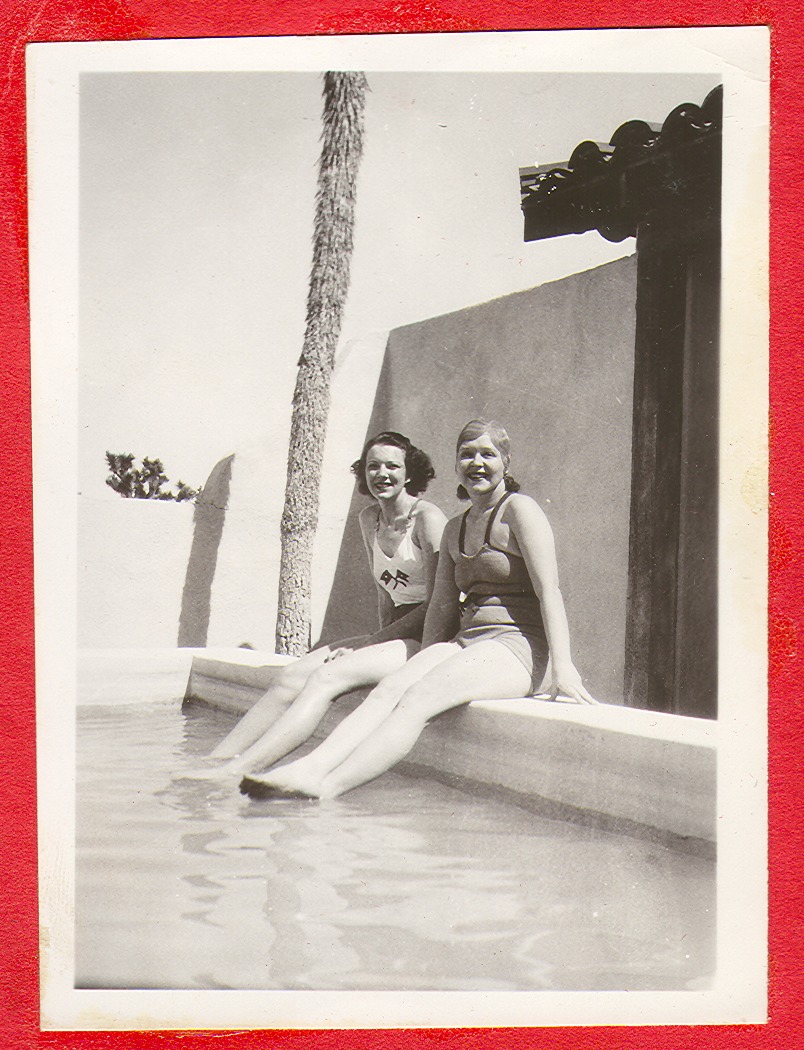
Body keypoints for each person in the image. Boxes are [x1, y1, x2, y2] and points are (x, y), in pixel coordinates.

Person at [241, 418, 596, 800]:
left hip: (519, 646)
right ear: (457, 464)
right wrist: (421, 663)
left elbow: (550, 592)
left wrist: (565, 668)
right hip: (469, 640)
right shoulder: (455, 526)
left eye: (487, 454)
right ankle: (309, 766)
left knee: (418, 698)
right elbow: (442, 606)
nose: (476, 462)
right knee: (393, 686)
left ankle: (325, 786)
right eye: (466, 455)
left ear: (506, 462)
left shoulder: (519, 511)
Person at [186, 431, 447, 779]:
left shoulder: (428, 518)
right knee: (292, 674)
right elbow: (384, 594)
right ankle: (217, 760)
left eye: (392, 466)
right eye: (372, 466)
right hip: (392, 635)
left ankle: (241, 769)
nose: (381, 474)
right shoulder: (369, 519)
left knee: (327, 676)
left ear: (409, 472)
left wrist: (371, 645)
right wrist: (374, 644)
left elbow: (439, 604)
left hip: (429, 637)